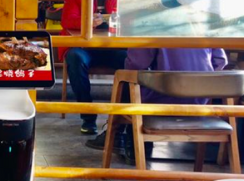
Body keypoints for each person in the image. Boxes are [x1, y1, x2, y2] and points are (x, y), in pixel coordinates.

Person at [85, 48, 228, 159]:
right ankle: (129, 141)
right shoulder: (203, 27)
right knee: (137, 82)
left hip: (161, 100)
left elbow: (135, 65)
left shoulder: (152, 27)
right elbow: (220, 61)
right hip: (199, 102)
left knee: (129, 80)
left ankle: (129, 141)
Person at [60, 0, 126, 135]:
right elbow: (67, 21)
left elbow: (130, 18)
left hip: (112, 48)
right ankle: (88, 118)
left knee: (131, 59)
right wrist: (87, 22)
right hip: (84, 48)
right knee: (74, 58)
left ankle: (122, 119)